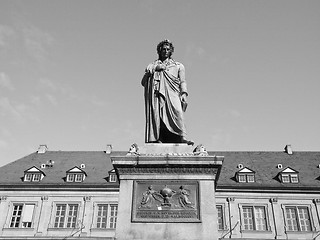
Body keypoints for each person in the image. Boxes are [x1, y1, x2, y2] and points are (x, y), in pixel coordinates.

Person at [141, 39, 193, 144]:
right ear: (159, 51)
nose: (165, 51)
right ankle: (158, 138)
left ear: (171, 51)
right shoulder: (152, 65)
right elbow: (143, 82)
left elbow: (183, 81)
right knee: (158, 115)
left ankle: (181, 137)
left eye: (168, 49)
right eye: (163, 49)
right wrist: (155, 68)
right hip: (157, 94)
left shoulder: (178, 66)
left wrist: (184, 94)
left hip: (173, 92)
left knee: (178, 112)